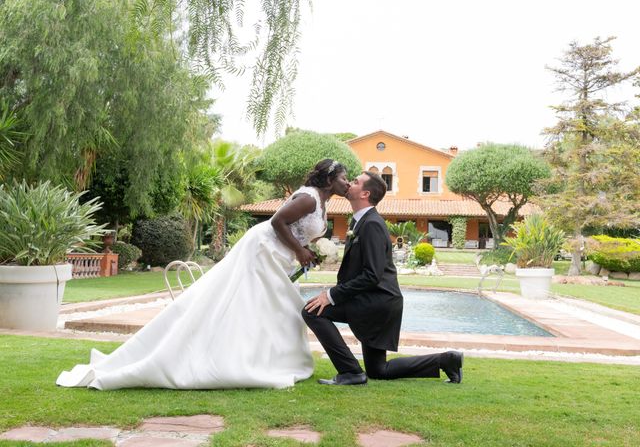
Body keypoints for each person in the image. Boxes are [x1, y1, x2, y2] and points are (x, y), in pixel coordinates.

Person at [57, 159, 350, 390]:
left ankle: (263, 357)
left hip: (279, 256)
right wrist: (300, 252)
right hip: (262, 249)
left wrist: (307, 251)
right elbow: (277, 221)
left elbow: (299, 231)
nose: (346, 182)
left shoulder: (323, 202)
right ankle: (242, 361)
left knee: (271, 308)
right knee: (262, 304)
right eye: (343, 178)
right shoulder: (309, 197)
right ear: (328, 179)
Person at [303, 171, 464, 385]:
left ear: (365, 193)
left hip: (377, 302)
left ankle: (350, 372)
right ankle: (447, 360)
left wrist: (331, 295)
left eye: (356, 182)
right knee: (379, 370)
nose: (350, 183)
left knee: (312, 311)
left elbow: (372, 275)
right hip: (377, 300)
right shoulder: (361, 222)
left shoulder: (371, 224)